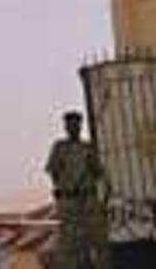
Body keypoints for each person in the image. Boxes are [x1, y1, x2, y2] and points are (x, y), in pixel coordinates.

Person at [45, 110, 109, 269]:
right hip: (69, 202)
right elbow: (53, 172)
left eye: (76, 124)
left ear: (80, 126)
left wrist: (101, 202)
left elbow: (99, 173)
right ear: (66, 127)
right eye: (70, 125)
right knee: (69, 245)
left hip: (88, 201)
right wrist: (64, 191)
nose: (73, 128)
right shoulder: (59, 147)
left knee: (97, 241)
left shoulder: (87, 147)